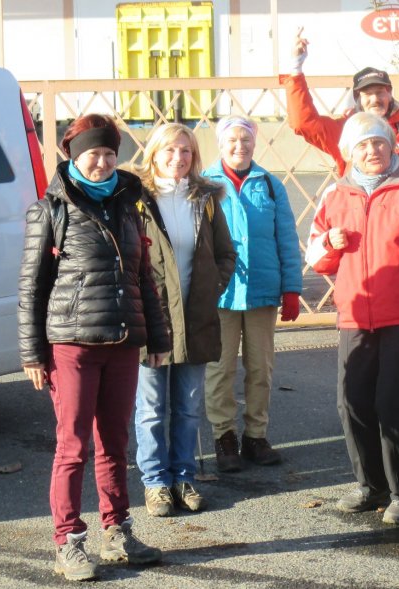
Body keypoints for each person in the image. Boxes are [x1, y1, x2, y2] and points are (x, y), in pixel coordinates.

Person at [17, 114, 171, 581]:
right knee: (73, 445)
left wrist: (158, 338)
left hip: (123, 341)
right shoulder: (51, 209)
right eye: (93, 153)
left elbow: (144, 276)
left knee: (115, 442)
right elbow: (32, 287)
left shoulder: (129, 203)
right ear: (73, 155)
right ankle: (68, 540)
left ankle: (118, 529)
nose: (102, 162)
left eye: (109, 153)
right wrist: (32, 354)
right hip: (72, 346)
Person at [305, 112, 399, 525]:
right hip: (356, 318)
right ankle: (370, 485)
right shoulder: (335, 194)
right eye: (362, 145)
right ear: (349, 153)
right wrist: (329, 244)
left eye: (378, 143)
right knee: (351, 403)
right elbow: (316, 257)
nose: (372, 151)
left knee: (394, 405)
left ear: (392, 146)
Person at [132, 123, 236, 516]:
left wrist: (213, 287)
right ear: (154, 153)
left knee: (190, 405)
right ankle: (156, 482)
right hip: (152, 316)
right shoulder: (136, 199)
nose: (178, 158)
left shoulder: (205, 199)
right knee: (152, 407)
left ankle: (183, 476)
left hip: (196, 317)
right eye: (170, 151)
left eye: (186, 151)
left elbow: (226, 253)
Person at [203, 116, 303, 472]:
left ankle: (256, 435)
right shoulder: (204, 185)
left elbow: (287, 239)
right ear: (220, 143)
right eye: (232, 140)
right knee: (221, 368)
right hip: (221, 294)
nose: (239, 146)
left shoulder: (270, 185)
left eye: (245, 139)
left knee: (261, 368)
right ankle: (224, 436)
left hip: (262, 289)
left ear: (254, 142)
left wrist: (292, 287)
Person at [284, 27, 399, 175]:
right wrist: (295, 68)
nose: (375, 99)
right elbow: (304, 123)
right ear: (358, 99)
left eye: (380, 92)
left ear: (390, 94)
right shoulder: (344, 131)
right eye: (367, 94)